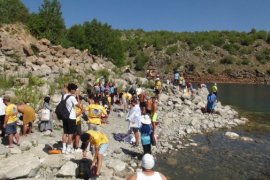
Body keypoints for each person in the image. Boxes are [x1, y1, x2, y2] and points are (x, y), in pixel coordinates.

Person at [62, 83, 82, 154]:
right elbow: (78, 105)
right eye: (75, 89)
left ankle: (63, 148)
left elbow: (65, 90)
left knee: (65, 132)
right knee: (70, 133)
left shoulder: (65, 96)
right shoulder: (72, 98)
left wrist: (65, 87)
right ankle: (68, 149)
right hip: (71, 117)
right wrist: (77, 96)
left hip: (65, 116)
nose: (75, 91)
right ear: (72, 90)